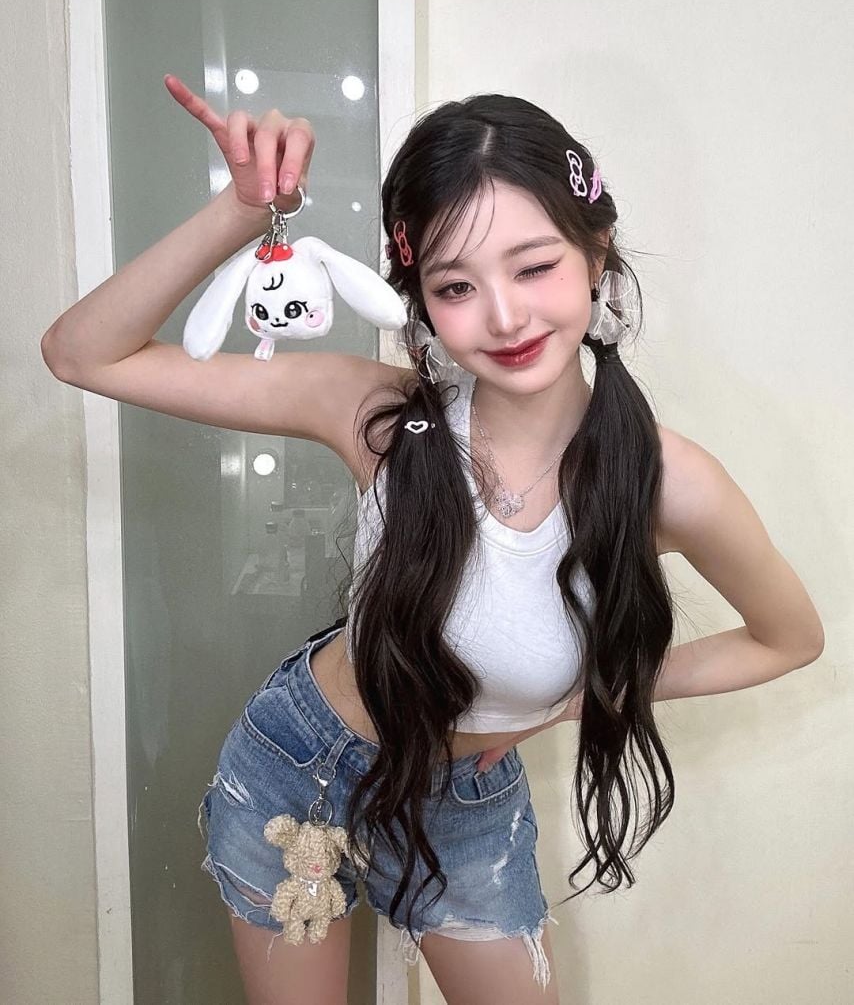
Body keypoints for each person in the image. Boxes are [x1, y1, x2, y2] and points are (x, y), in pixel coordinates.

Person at [41, 75, 824, 1005]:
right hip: (295, 763)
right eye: (456, 286)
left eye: (533, 267)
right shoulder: (380, 415)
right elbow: (83, 353)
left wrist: (574, 701)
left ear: (596, 252)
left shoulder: (666, 479)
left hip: (463, 804)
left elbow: (788, 638)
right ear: (418, 296)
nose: (505, 316)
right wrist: (244, 213)